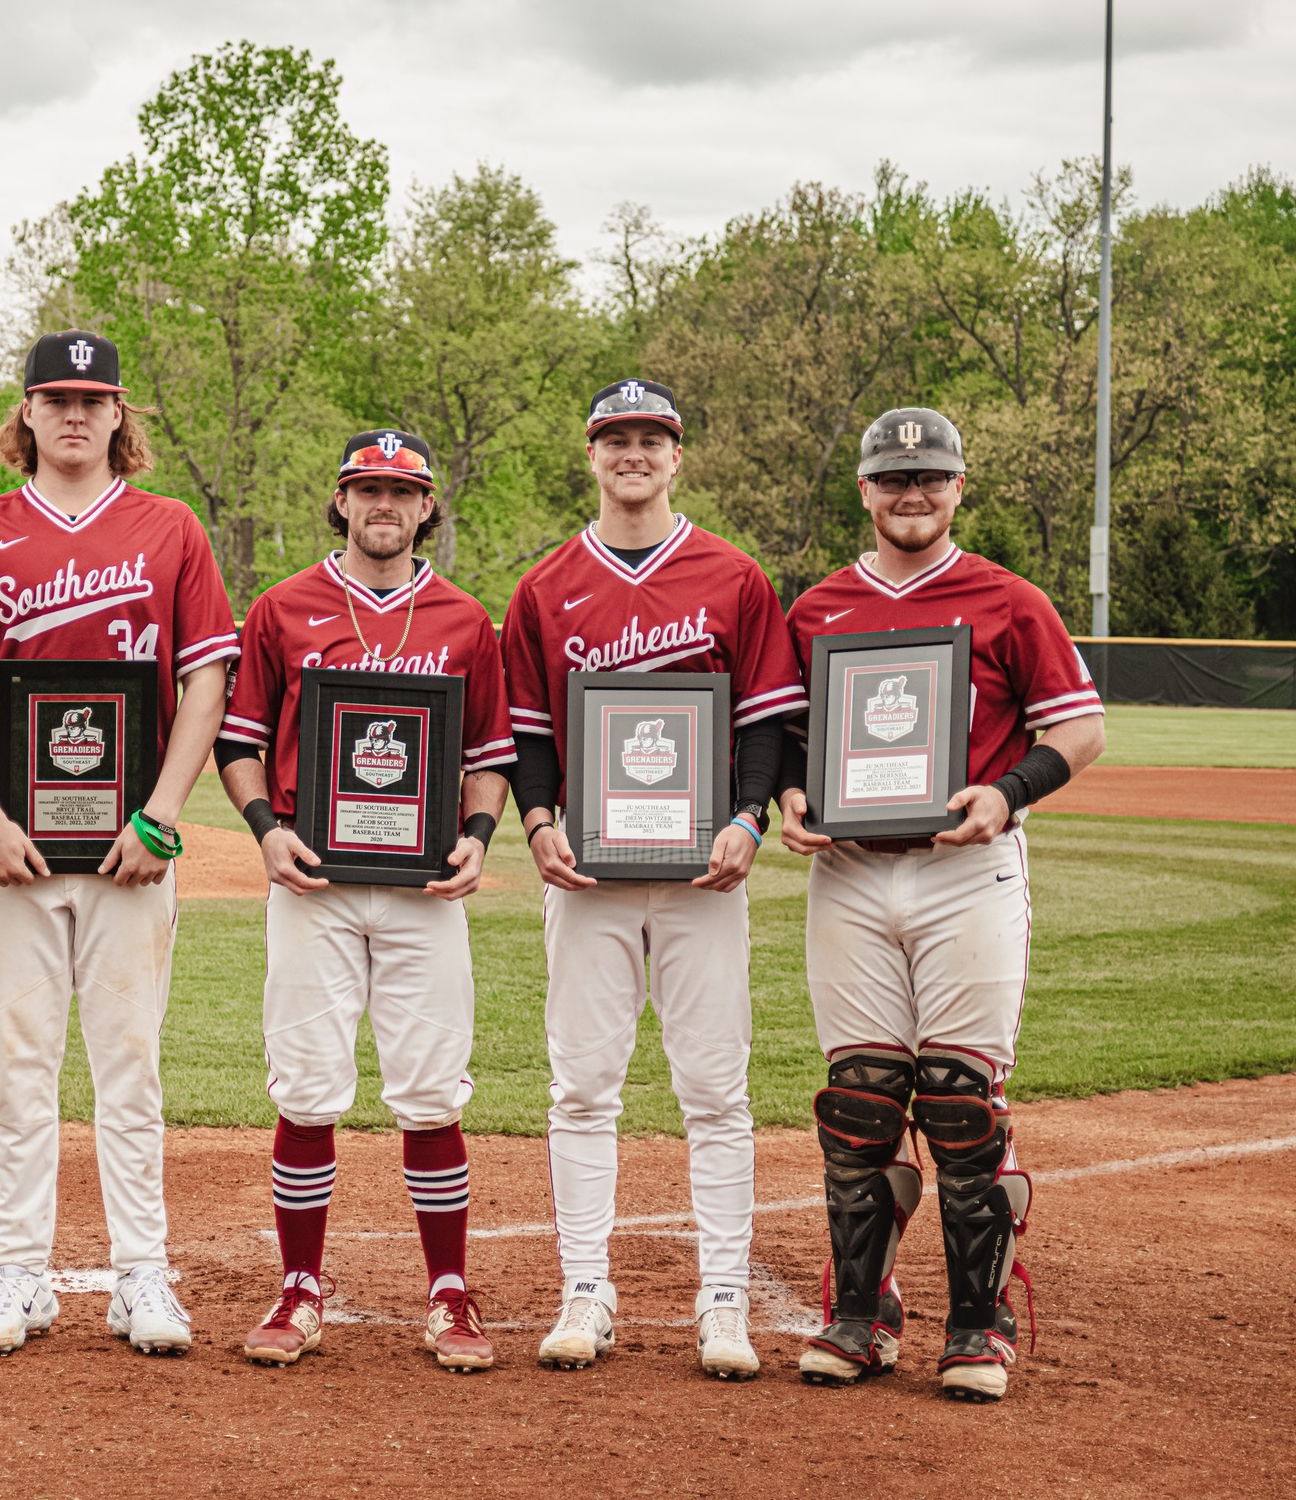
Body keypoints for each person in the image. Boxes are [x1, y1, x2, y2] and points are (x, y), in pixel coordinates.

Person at [0, 330, 237, 1358]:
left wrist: (163, 812)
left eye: (93, 399)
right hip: (18, 847)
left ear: (119, 413)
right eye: (56, 397)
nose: (75, 414)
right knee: (21, 1062)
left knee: (129, 1062)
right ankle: (18, 1266)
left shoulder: (171, 528)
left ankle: (141, 1270)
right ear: (27, 413)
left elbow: (204, 681)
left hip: (129, 848)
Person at [779, 408, 1104, 1403]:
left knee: (959, 1100)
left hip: (968, 866)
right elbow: (782, 742)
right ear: (865, 491)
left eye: (929, 478)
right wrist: (790, 798)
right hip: (849, 873)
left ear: (958, 487)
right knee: (860, 1099)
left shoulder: (1007, 599)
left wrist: (1006, 791)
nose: (909, 494)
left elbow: (1079, 727)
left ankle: (978, 1322)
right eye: (892, 479)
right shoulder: (817, 608)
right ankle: (861, 1312)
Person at [499, 379, 805, 1379]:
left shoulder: (732, 576)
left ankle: (722, 1299)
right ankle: (583, 1288)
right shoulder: (546, 586)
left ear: (676, 455)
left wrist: (745, 817)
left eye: (650, 438)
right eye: (613, 437)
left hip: (699, 873)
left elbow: (761, 720)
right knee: (581, 1086)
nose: (631, 453)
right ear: (590, 454)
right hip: (585, 872)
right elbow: (532, 733)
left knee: (713, 1090)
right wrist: (537, 821)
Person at [215, 431, 516, 1371]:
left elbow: (490, 756)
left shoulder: (467, 619)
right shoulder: (281, 608)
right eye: (365, 488)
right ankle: (300, 1285)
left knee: (429, 1093)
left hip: (424, 888)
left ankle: (449, 1293)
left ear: (426, 507)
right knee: (305, 1084)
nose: (383, 504)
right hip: (315, 878)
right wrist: (267, 828)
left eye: (402, 490)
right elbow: (239, 740)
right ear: (339, 500)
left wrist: (477, 837)